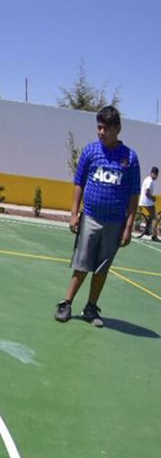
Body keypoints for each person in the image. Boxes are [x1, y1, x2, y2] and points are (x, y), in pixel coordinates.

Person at [55, 106, 140, 327]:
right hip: (90, 217)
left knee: (102, 268)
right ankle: (66, 303)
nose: (101, 132)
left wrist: (128, 226)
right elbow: (79, 183)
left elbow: (134, 194)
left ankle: (91, 308)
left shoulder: (130, 158)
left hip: (115, 223)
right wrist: (74, 214)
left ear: (117, 128)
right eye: (99, 127)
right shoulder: (90, 151)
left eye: (105, 128)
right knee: (82, 265)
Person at [136, 166, 159, 241]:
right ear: (152, 173)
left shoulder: (147, 179)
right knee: (155, 217)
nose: (156, 176)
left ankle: (146, 229)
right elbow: (147, 192)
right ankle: (154, 235)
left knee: (151, 216)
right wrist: (153, 198)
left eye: (157, 175)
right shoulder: (150, 181)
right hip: (147, 201)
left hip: (144, 201)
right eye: (155, 174)